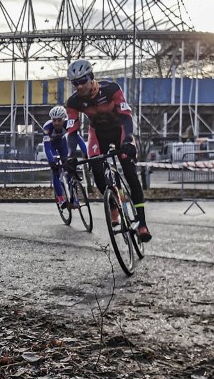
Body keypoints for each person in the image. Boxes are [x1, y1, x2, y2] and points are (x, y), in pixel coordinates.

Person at [64, 59, 152, 242]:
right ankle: (113, 203)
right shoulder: (73, 102)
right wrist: (71, 156)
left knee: (129, 172)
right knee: (96, 171)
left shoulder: (111, 88)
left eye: (82, 81)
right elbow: (71, 132)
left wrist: (128, 140)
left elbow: (126, 117)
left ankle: (142, 222)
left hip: (120, 130)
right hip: (98, 133)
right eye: (75, 83)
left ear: (91, 78)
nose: (78, 86)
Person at [42, 105, 86, 208]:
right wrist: (51, 161)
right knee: (56, 171)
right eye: (54, 120)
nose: (56, 123)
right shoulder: (47, 128)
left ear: (64, 119)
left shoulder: (68, 124)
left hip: (63, 145)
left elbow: (79, 140)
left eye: (59, 120)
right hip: (52, 147)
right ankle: (61, 199)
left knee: (69, 169)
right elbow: (47, 148)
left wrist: (86, 153)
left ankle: (74, 198)